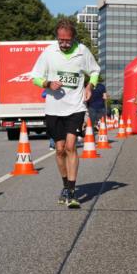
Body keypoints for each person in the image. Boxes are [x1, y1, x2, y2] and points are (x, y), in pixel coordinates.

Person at [30, 18, 100, 208]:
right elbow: (35, 77)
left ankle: (72, 190)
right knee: (60, 149)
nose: (64, 44)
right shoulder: (49, 52)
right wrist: (47, 83)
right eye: (61, 40)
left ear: (73, 38)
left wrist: (90, 86)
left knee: (70, 147)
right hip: (54, 108)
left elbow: (95, 70)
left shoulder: (82, 51)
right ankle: (65, 185)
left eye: (67, 40)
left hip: (75, 107)